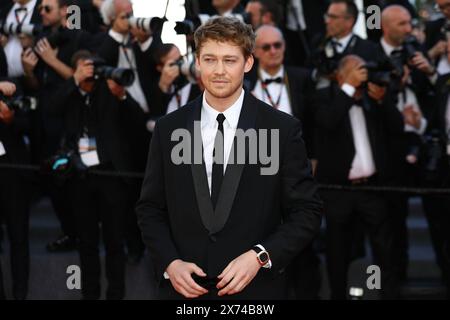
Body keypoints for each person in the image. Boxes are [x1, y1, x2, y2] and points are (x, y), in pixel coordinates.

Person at [136, 16, 322, 300]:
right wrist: (170, 263)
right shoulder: (168, 128)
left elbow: (307, 211)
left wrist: (261, 256)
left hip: (256, 292)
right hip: (183, 292)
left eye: (230, 60)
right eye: (210, 59)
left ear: (248, 63)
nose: (219, 71)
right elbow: (150, 208)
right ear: (197, 62)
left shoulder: (282, 129)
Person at [314, 54, 404, 299]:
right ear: (341, 75)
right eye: (357, 69)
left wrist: (383, 101)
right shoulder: (326, 97)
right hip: (340, 190)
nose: (363, 73)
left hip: (373, 189)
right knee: (338, 251)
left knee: (384, 249)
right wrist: (347, 88)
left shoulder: (371, 99)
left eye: (363, 69)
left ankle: (387, 294)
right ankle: (339, 295)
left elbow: (397, 127)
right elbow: (327, 122)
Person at [0, 81, 32, 300]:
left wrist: (10, 120)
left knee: (19, 236)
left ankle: (21, 294)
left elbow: (30, 124)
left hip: (12, 172)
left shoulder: (11, 89)